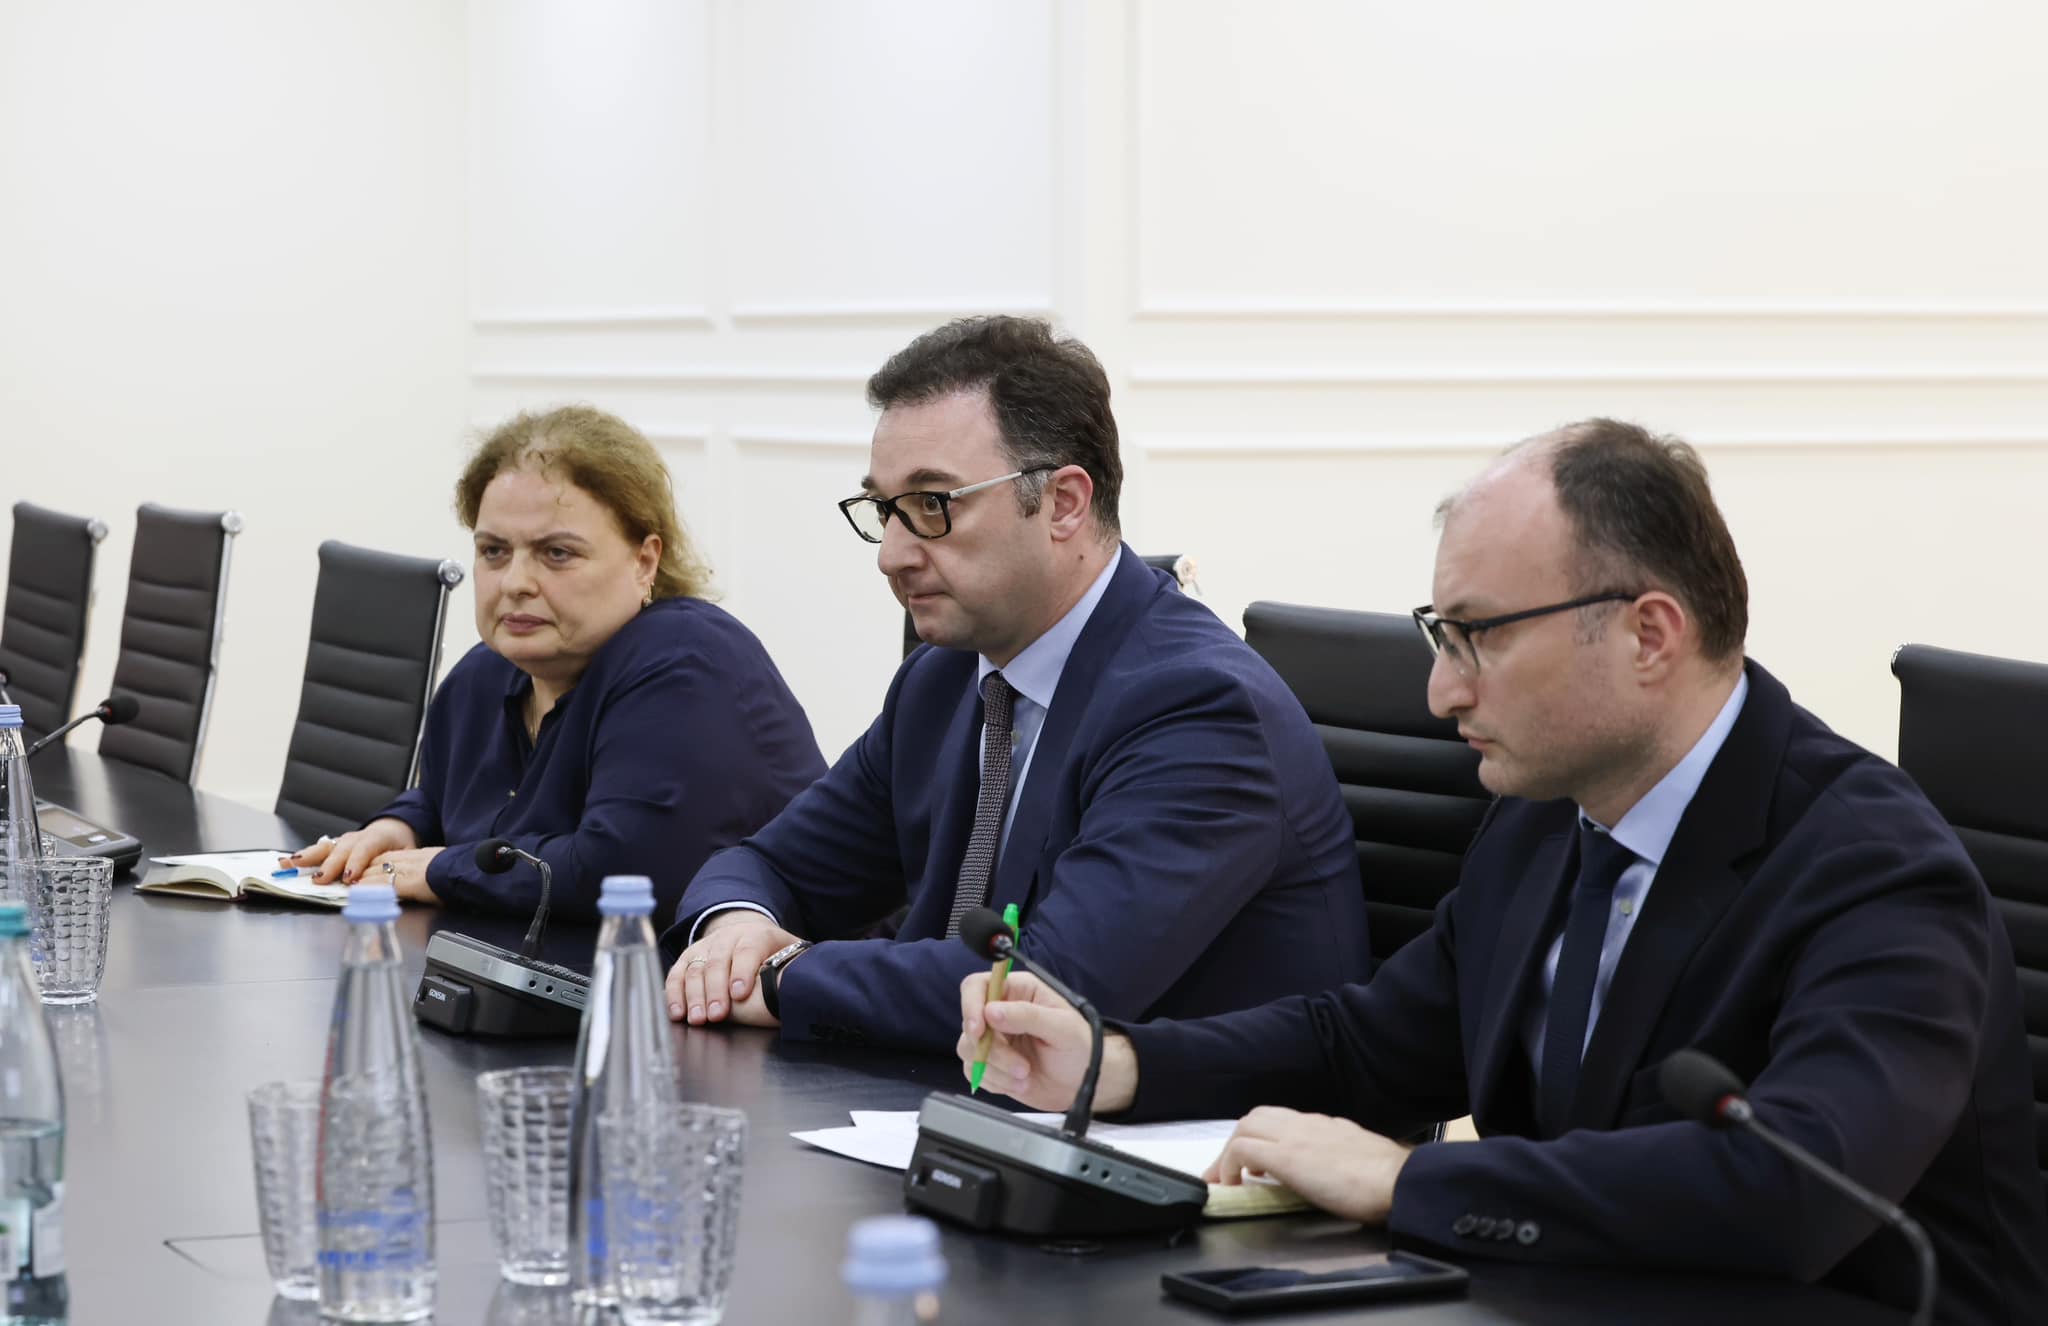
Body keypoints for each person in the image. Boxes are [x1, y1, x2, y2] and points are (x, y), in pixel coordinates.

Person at [958, 419, 2048, 1326]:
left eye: (1477, 636)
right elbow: (1371, 1043)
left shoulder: (1873, 868)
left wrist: (1407, 1180)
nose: (1442, 692)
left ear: (1649, 635)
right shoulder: (1546, 815)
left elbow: (1794, 1191)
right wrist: (1119, 1064)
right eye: (1441, 635)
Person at [663, 315, 1370, 1052]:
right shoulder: (942, 680)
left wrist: (783, 976)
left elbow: (1045, 987)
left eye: (933, 505)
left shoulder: (1198, 708)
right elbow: (768, 864)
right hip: (962, 1095)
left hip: (1188, 1120)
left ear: (1064, 503)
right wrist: (735, 929)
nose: (892, 555)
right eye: (884, 510)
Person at [290, 405, 826, 919]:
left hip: (711, 978)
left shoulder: (688, 660)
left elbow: (619, 869)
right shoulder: (484, 673)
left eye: (557, 553)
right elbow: (442, 799)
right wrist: (399, 829)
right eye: (494, 551)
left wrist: (437, 870)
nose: (515, 583)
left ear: (644, 562)